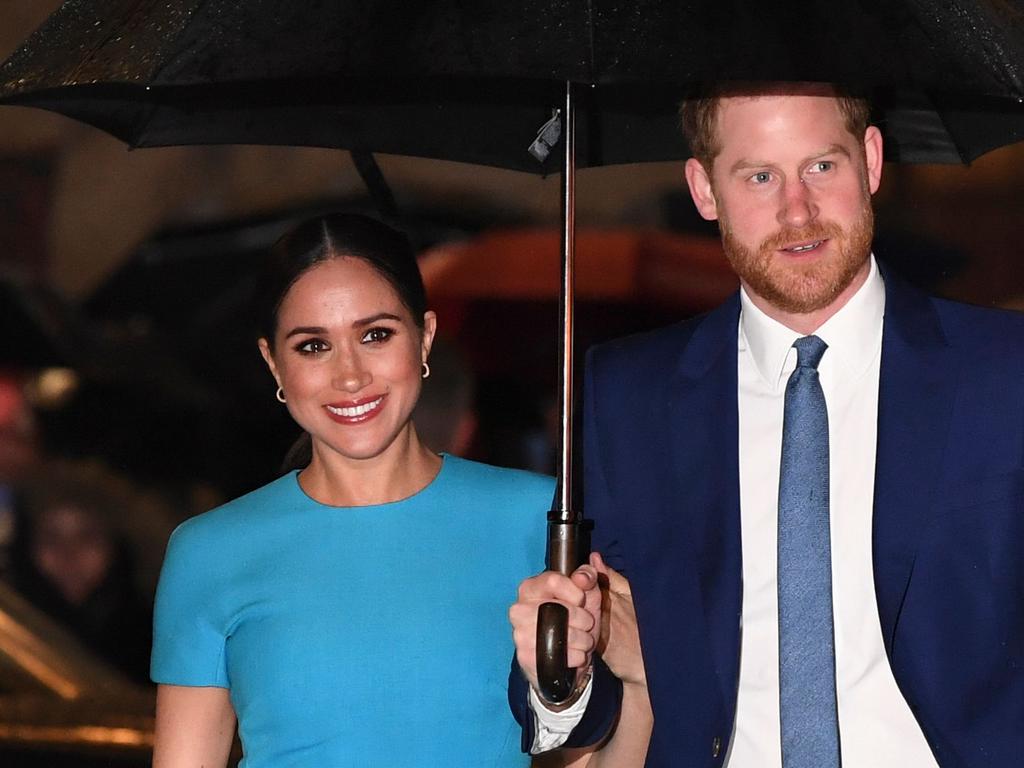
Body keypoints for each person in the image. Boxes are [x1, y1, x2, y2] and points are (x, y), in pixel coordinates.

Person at [508, 82, 1024, 767]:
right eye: (759, 176)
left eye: (821, 166)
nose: (797, 209)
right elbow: (601, 689)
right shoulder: (631, 395)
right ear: (704, 189)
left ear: (870, 160)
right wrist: (565, 668)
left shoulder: (1004, 370)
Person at [151, 213, 553, 767]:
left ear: (426, 337)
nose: (349, 375)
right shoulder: (209, 551)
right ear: (273, 363)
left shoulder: (540, 518)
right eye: (313, 346)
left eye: (375, 335)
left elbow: (590, 749)